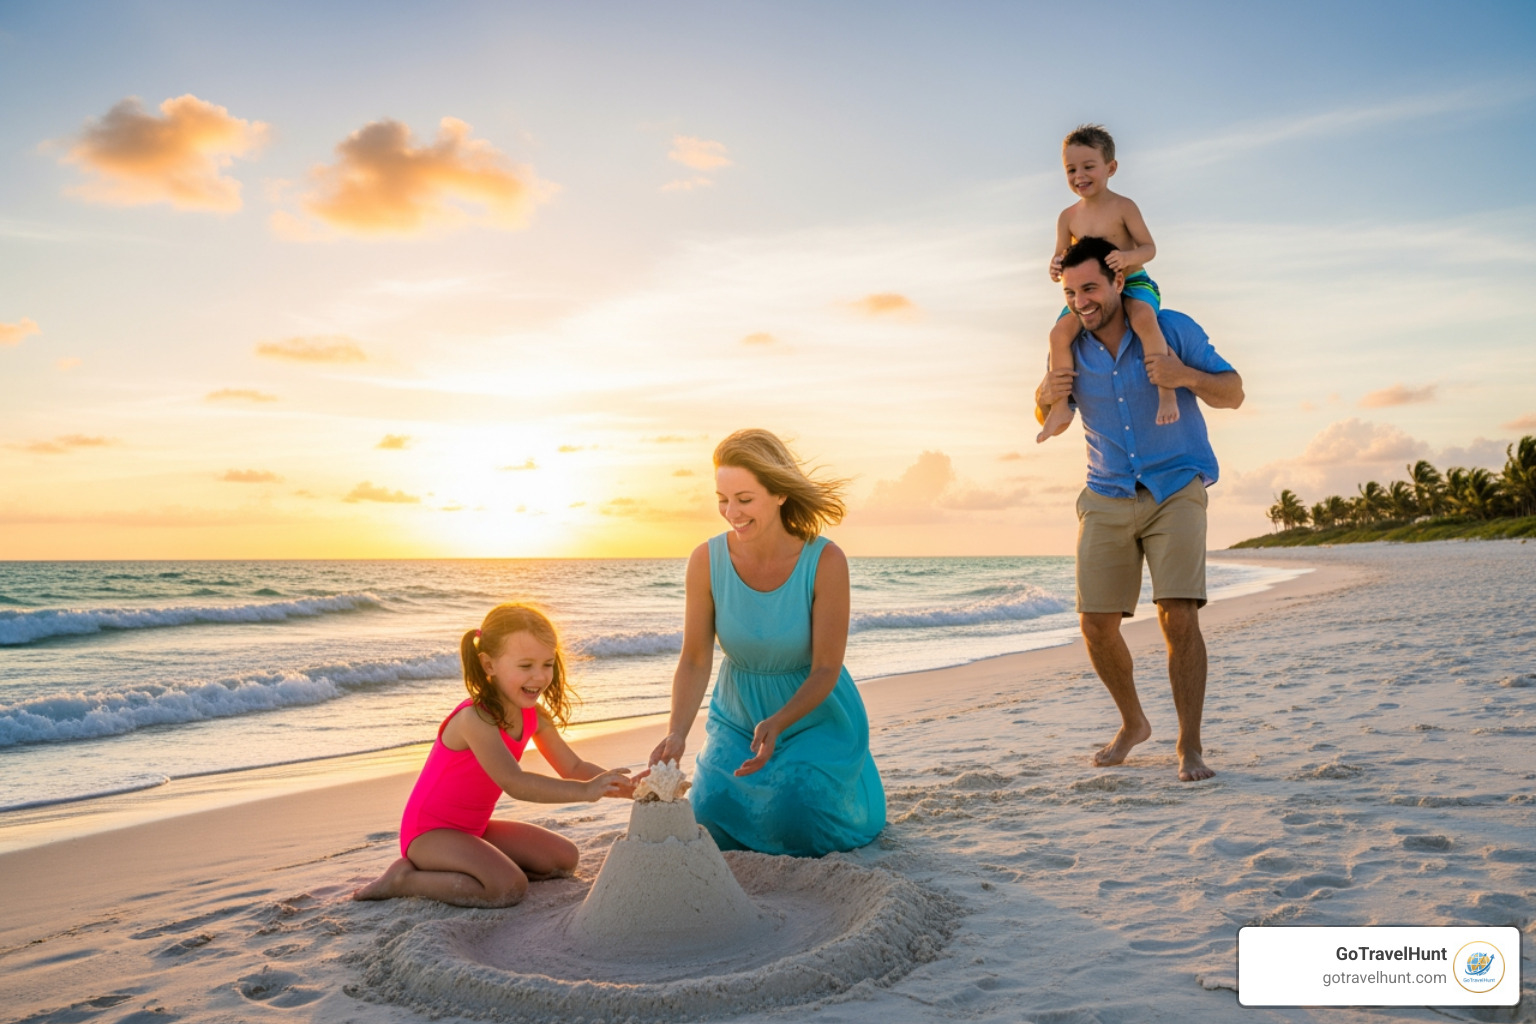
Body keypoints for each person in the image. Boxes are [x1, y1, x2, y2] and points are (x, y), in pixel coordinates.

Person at [1034, 236, 1244, 782]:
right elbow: (1048, 406)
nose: (1081, 301)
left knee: (1178, 615)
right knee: (1096, 625)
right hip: (1105, 491)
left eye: (1090, 289)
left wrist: (1184, 377)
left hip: (1175, 486)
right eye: (1070, 292)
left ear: (1119, 281)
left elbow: (1234, 392)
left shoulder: (1170, 328)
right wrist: (1041, 391)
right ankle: (1133, 724)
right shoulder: (1068, 345)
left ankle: (1190, 746)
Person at [647, 428, 885, 856]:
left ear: (779, 494)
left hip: (813, 714)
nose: (730, 512)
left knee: (798, 816)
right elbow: (696, 658)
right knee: (710, 814)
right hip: (737, 713)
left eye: (744, 499)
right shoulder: (706, 560)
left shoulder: (825, 561)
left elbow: (827, 668)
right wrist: (677, 733)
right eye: (722, 498)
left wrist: (779, 722)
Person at [353, 603, 633, 907]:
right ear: (489, 665)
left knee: (564, 859)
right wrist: (586, 791)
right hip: (430, 834)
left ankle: (478, 861)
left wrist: (626, 787)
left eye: (547, 664)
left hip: (476, 829)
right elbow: (515, 782)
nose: (539, 677)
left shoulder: (535, 715)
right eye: (526, 666)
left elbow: (573, 766)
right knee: (508, 888)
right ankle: (403, 880)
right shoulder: (475, 719)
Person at [1038, 123, 1178, 443]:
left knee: (1143, 319)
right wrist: (1055, 264)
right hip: (1091, 293)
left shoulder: (1124, 207)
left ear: (1110, 168)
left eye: (1088, 166)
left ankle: (1167, 392)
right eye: (1071, 169)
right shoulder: (1067, 216)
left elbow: (1149, 248)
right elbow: (1062, 256)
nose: (1079, 176)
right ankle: (1060, 406)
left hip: (1133, 282)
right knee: (1059, 333)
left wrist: (1127, 259)